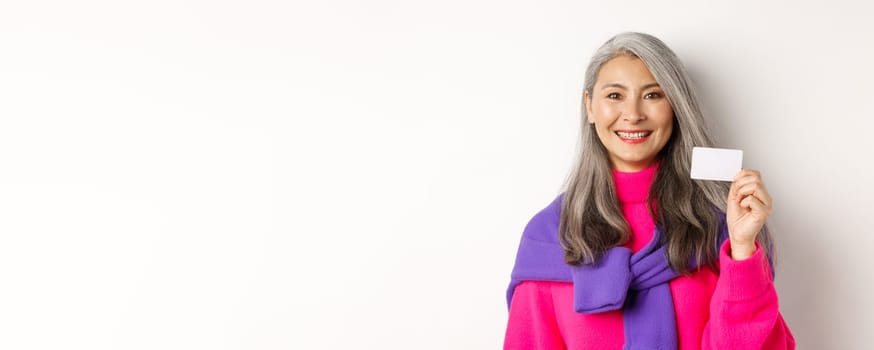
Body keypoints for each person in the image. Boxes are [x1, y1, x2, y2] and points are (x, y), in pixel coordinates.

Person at [503, 32, 796, 350]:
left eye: (653, 95)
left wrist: (741, 248)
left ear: (675, 107)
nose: (633, 114)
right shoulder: (549, 236)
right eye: (615, 96)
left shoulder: (718, 224)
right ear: (589, 106)